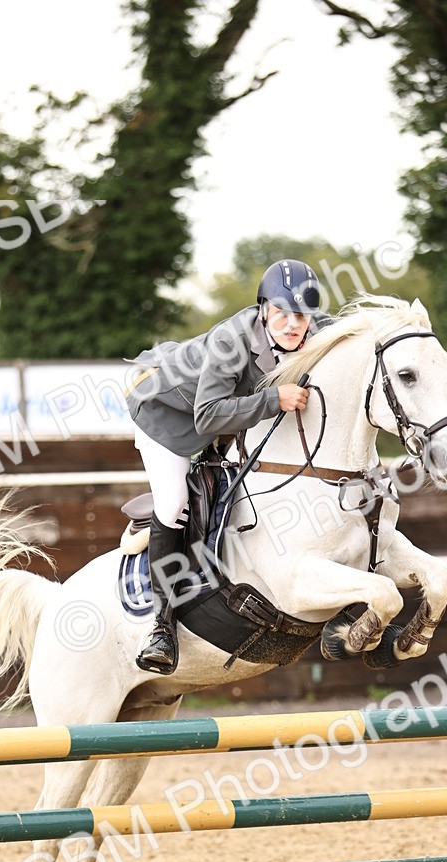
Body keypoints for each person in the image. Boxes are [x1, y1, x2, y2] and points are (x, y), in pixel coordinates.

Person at [125, 258, 331, 675]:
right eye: (282, 314)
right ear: (263, 310)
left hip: (215, 414)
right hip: (165, 415)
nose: (294, 325)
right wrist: (276, 400)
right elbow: (206, 417)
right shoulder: (229, 341)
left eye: (302, 316)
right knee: (175, 502)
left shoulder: (313, 328)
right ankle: (161, 628)